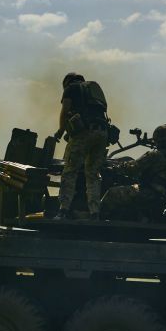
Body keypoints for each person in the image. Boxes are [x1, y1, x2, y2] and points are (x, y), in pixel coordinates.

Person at [53, 72, 110, 220]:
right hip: (103, 132)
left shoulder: (71, 88)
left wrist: (60, 131)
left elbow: (65, 111)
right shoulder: (92, 90)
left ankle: (63, 210)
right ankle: (94, 212)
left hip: (84, 132)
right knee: (93, 174)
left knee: (70, 171)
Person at [102, 125, 166, 223]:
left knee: (112, 193)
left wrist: (114, 168)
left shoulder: (155, 155)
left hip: (151, 193)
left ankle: (97, 221)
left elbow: (133, 168)